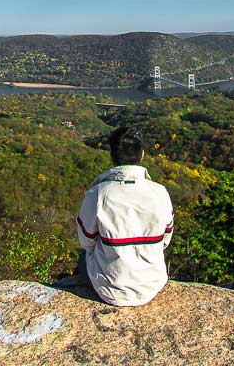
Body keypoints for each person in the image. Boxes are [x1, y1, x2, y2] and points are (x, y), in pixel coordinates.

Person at [75, 126, 174, 306]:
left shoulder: (98, 194)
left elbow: (86, 242)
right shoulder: (161, 193)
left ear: (112, 156)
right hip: (152, 285)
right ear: (142, 155)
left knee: (83, 257)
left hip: (108, 289)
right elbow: (165, 241)